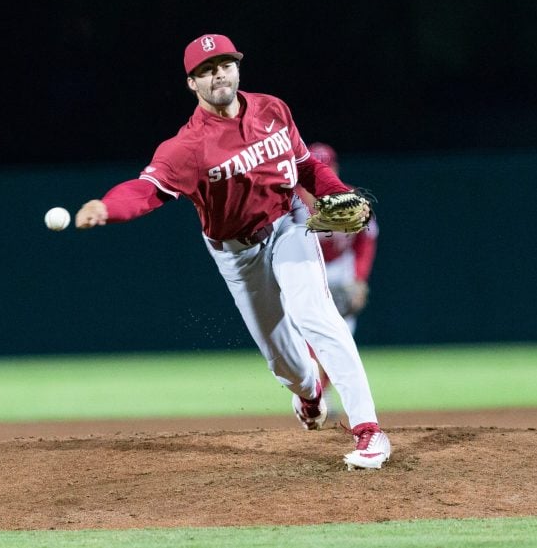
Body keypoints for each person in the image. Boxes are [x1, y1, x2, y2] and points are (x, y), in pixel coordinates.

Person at [74, 33, 390, 470]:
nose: (217, 73)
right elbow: (146, 190)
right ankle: (310, 394)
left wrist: (335, 191)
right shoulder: (186, 148)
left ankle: (368, 431)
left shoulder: (273, 109)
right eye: (206, 70)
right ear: (192, 84)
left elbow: (305, 167)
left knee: (317, 315)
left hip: (289, 228)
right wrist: (108, 207)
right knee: (284, 362)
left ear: (238, 68)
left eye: (224, 64)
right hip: (236, 253)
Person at [297, 143, 379, 336]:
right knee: (301, 331)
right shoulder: (289, 203)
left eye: (325, 166)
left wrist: (359, 278)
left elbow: (366, 240)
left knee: (342, 332)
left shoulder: (352, 200)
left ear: (334, 169)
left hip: (341, 268)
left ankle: (334, 366)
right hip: (304, 268)